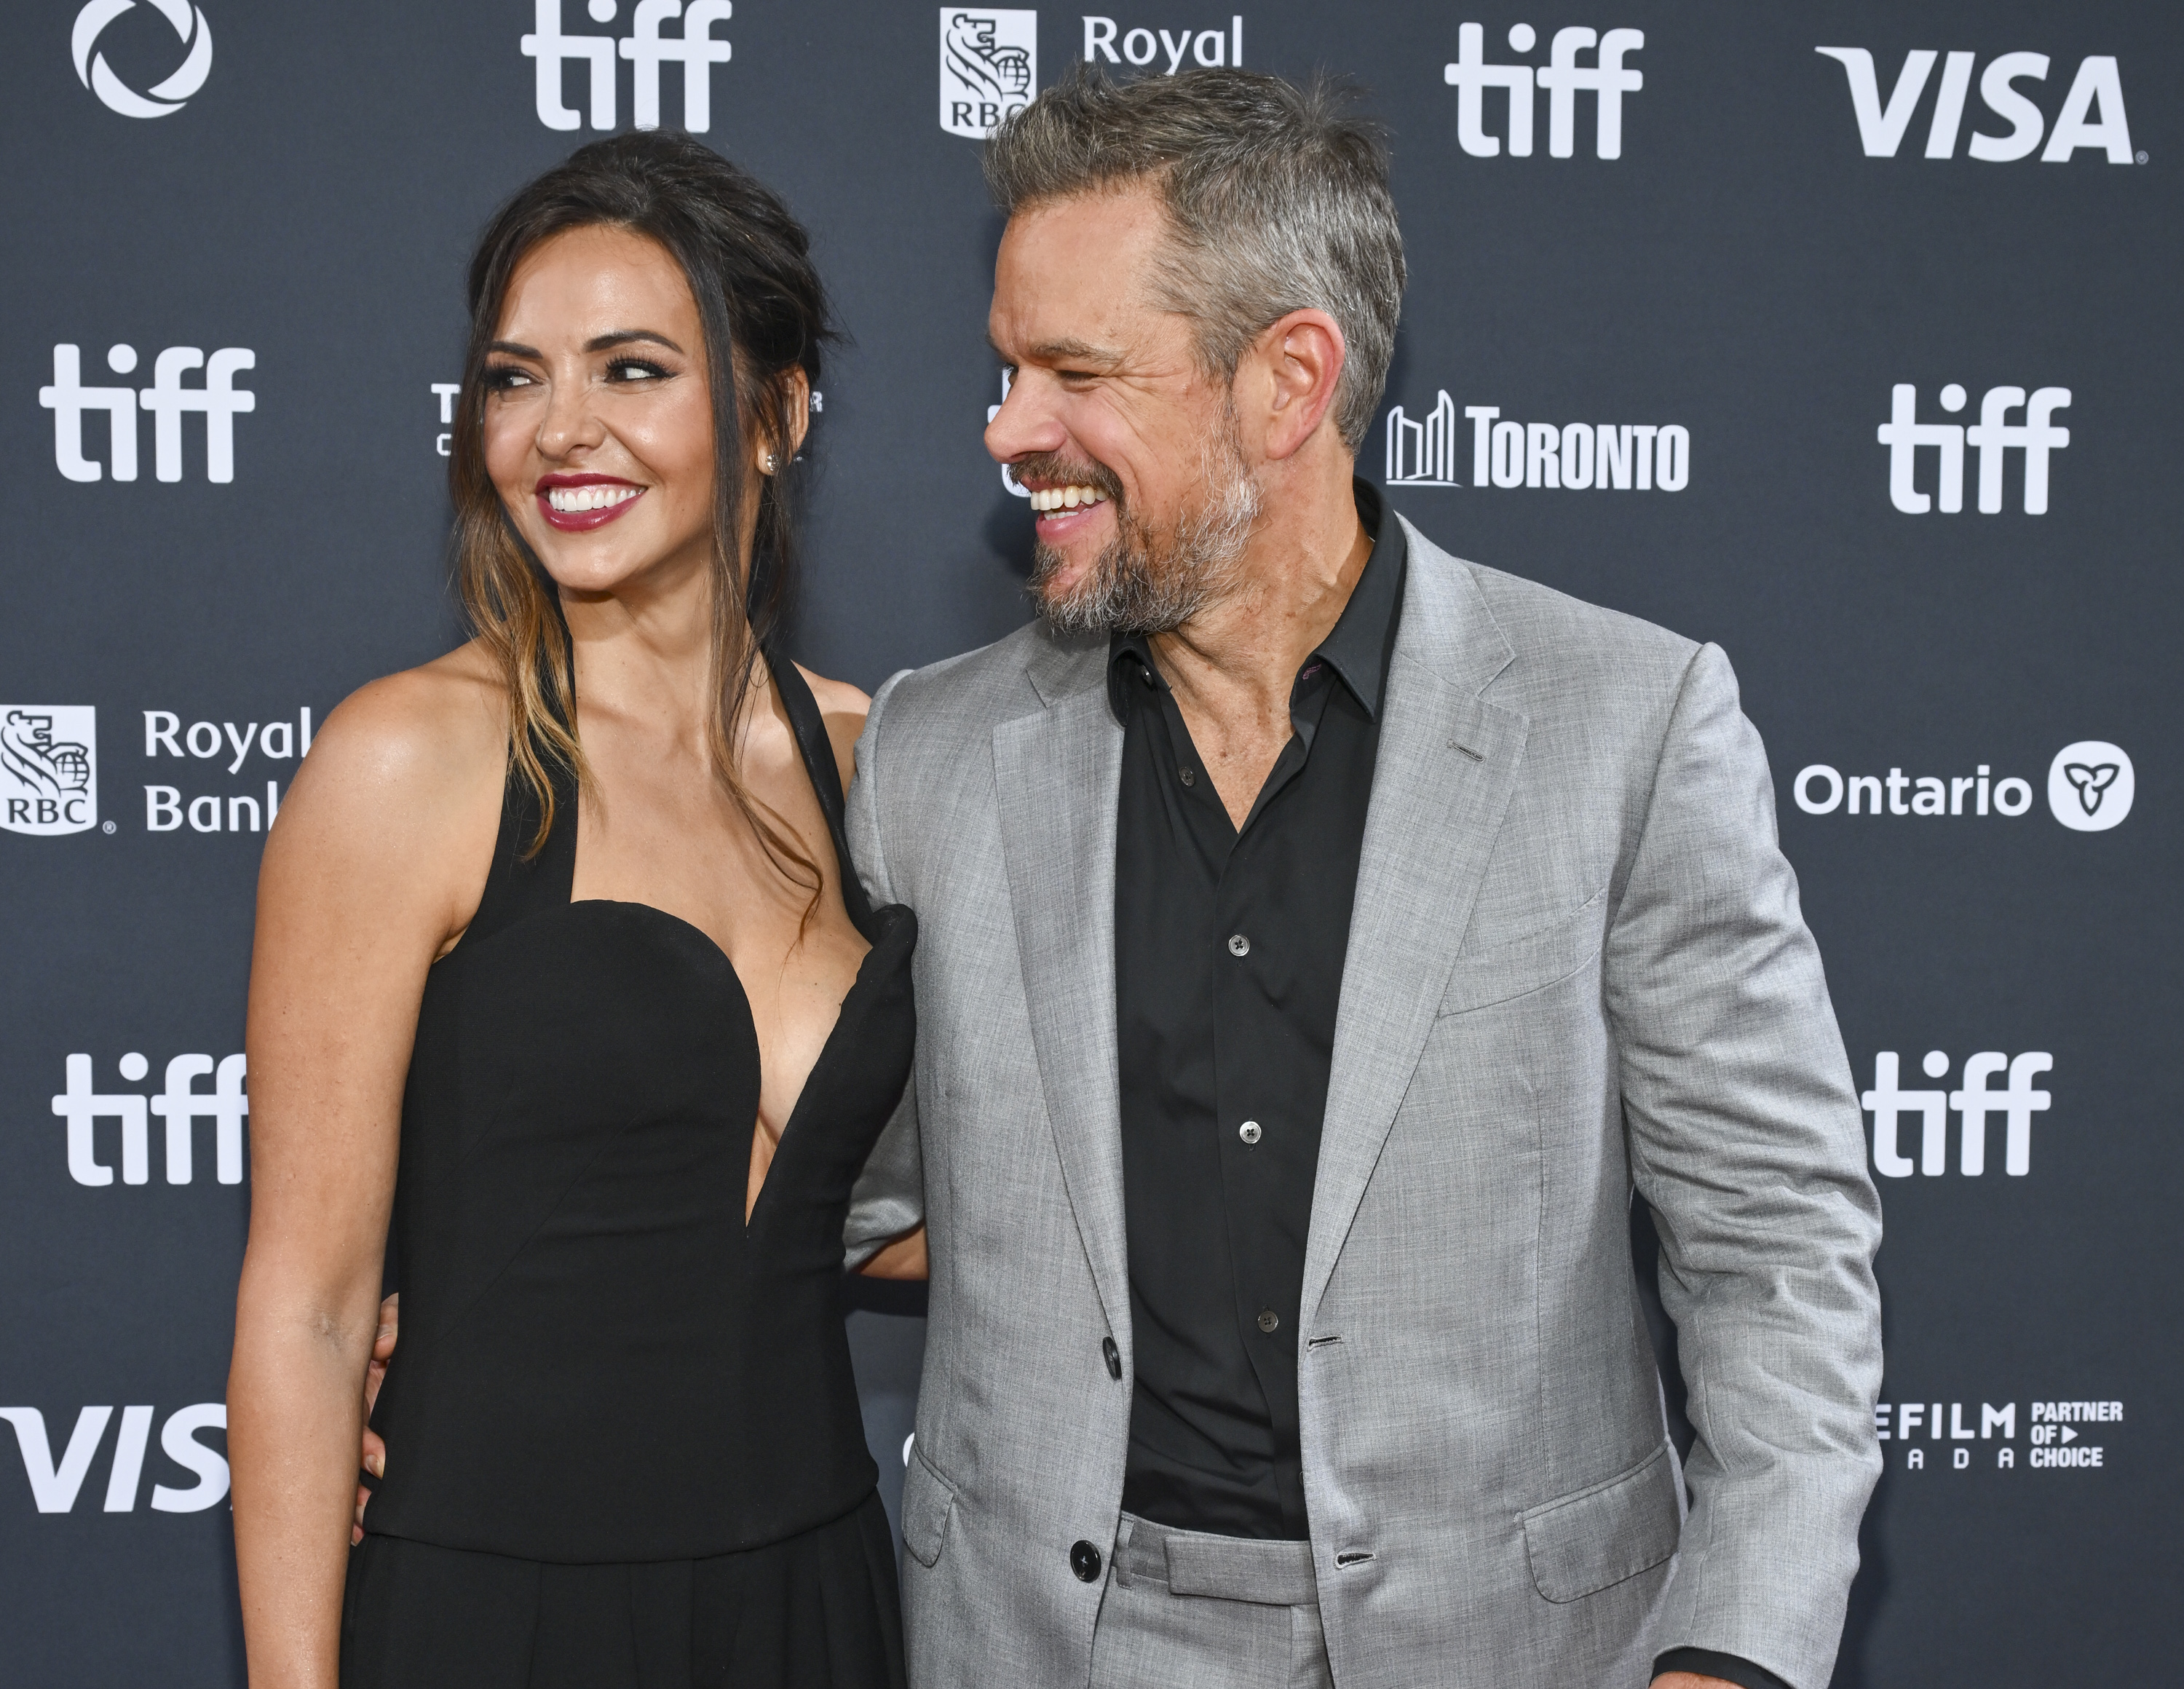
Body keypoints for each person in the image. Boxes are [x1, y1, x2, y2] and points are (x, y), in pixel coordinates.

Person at [838, 68, 1884, 1689]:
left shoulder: (1624, 720)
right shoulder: (932, 751)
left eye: (1076, 371)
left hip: (1526, 1645)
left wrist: (1734, 1654)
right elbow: (842, 1187)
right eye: (1005, 366)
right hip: (1054, 1637)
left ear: (1288, 381)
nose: (1007, 428)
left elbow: (1772, 1246)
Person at [228, 132, 920, 1689]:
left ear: (777, 412)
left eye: (630, 368)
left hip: (818, 1594)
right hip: (499, 1612)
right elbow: (312, 1304)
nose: (562, 430)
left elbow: (895, 1213)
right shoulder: (408, 759)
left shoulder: (885, 763)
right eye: (515, 378)